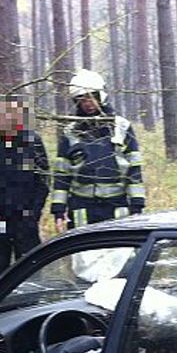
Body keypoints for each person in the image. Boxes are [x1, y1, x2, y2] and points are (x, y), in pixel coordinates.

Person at [51, 69, 146, 232]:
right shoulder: (70, 131)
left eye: (91, 97)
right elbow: (62, 174)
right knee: (82, 254)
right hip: (81, 207)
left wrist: (137, 206)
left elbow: (134, 168)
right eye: (81, 99)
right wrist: (58, 210)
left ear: (100, 96)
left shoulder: (121, 127)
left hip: (117, 206)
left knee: (118, 253)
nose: (87, 103)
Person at [0, 96, 51, 278]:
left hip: (25, 219)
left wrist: (34, 213)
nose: (10, 119)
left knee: (31, 275)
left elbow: (43, 181)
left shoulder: (33, 142)